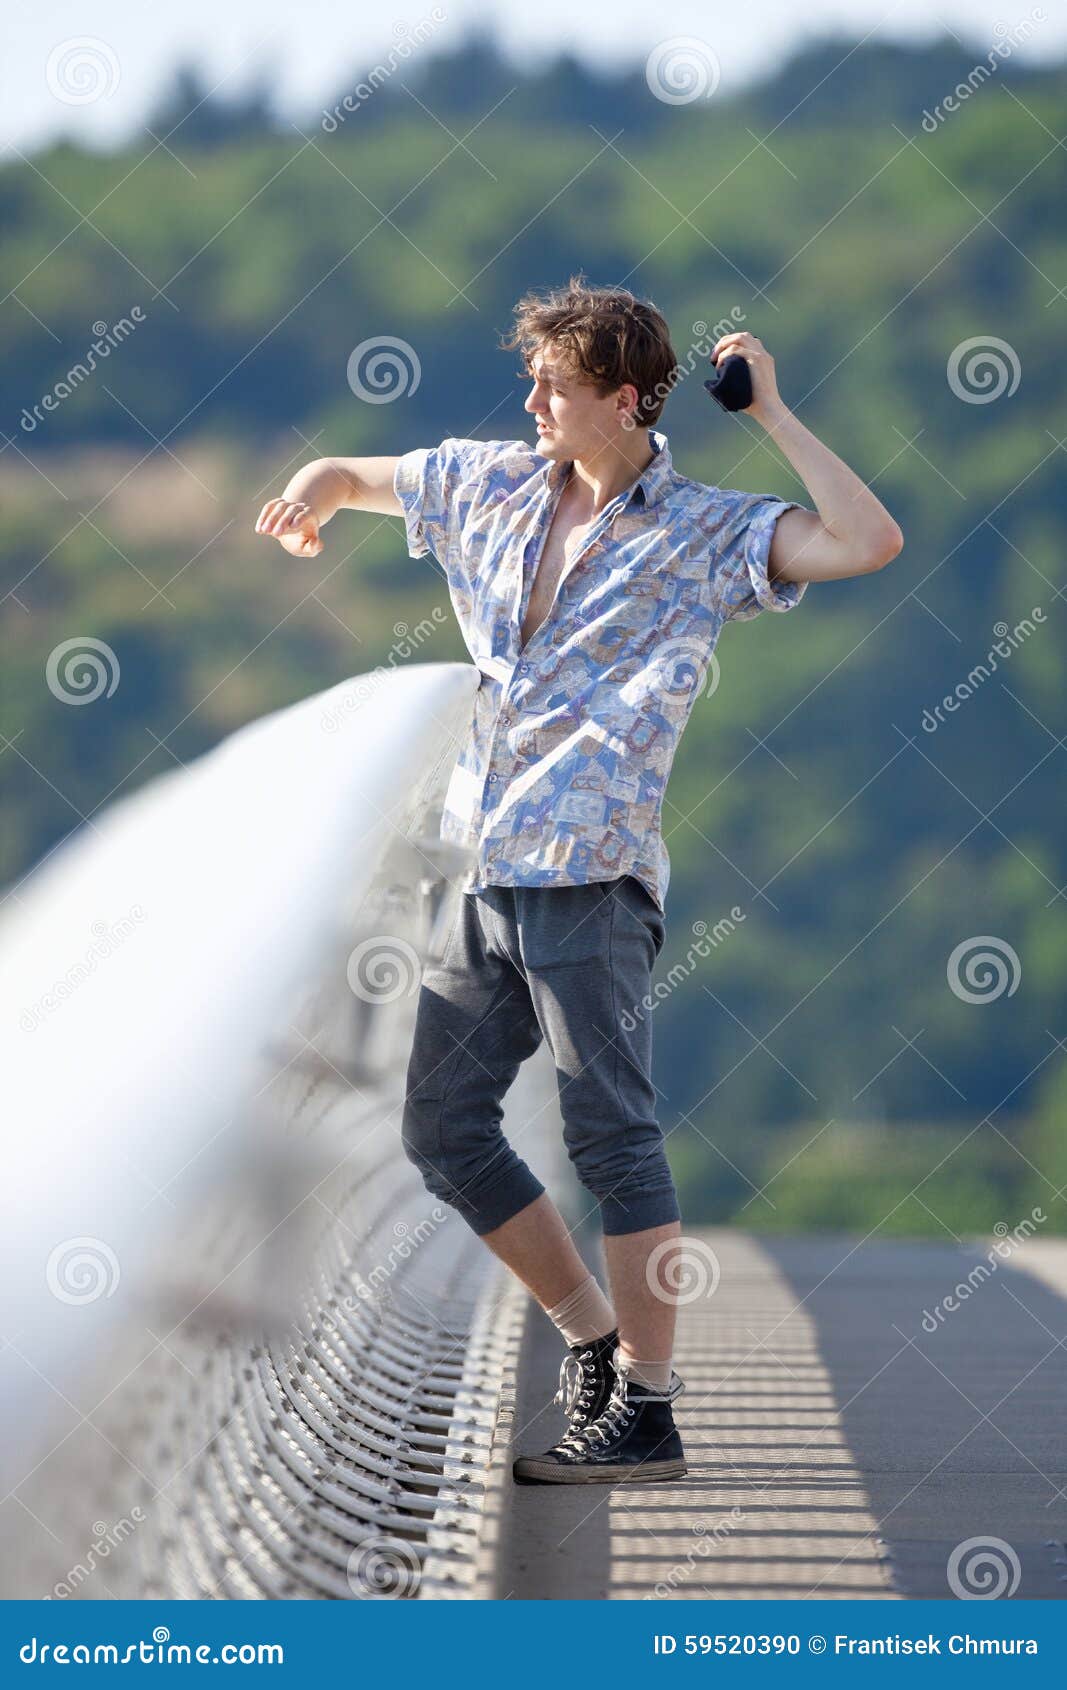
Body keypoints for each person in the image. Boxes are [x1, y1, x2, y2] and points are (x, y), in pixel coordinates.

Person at [254, 277, 902, 1486]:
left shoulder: (704, 530)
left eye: (554, 385)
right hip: (481, 862)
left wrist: (767, 413)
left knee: (611, 1135)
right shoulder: (492, 483)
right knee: (442, 1126)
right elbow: (356, 473)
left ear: (621, 399)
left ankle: (648, 1409)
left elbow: (865, 540)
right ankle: (594, 1343)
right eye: (531, 379)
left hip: (590, 876)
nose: (531, 401)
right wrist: (315, 490)